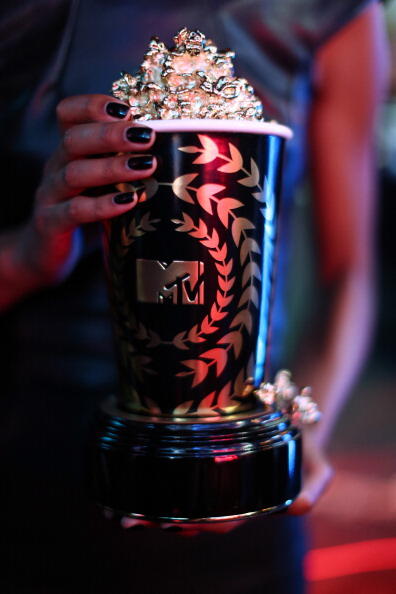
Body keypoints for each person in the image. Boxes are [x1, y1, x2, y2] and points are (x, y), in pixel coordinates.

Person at [0, 1, 389, 592]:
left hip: (245, 467)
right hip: (32, 469)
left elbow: (350, 274)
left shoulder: (330, 12)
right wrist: (31, 254)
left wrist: (300, 425)